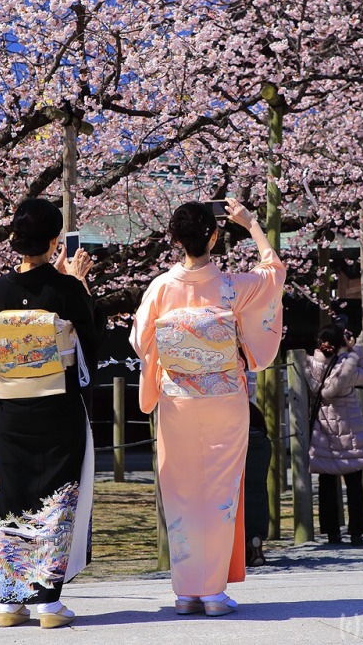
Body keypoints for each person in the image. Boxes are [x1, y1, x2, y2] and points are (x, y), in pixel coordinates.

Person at [129, 198, 285, 616]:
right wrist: (251, 225)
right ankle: (213, 593)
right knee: (220, 491)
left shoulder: (161, 287)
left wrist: (174, 352)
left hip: (178, 400)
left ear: (176, 240)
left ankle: (185, 592)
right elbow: (274, 273)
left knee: (180, 492)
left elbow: (141, 341)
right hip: (224, 398)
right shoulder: (234, 285)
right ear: (214, 237)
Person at [0, 198, 104, 629]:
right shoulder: (65, 289)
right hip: (57, 404)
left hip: (15, 404)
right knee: (54, 496)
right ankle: (48, 604)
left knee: (15, 496)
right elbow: (90, 343)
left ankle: (10, 601)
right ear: (56, 240)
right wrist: (77, 282)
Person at [305, 324, 363, 546]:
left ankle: (332, 532)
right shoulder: (348, 365)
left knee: (327, 483)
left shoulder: (307, 364)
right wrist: (355, 349)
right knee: (354, 483)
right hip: (349, 429)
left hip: (324, 430)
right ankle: (356, 532)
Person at [244, 400, 271, 567]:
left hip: (235, 440)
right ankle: (256, 537)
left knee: (233, 494)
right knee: (259, 490)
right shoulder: (249, 405)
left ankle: (242, 544)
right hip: (261, 440)